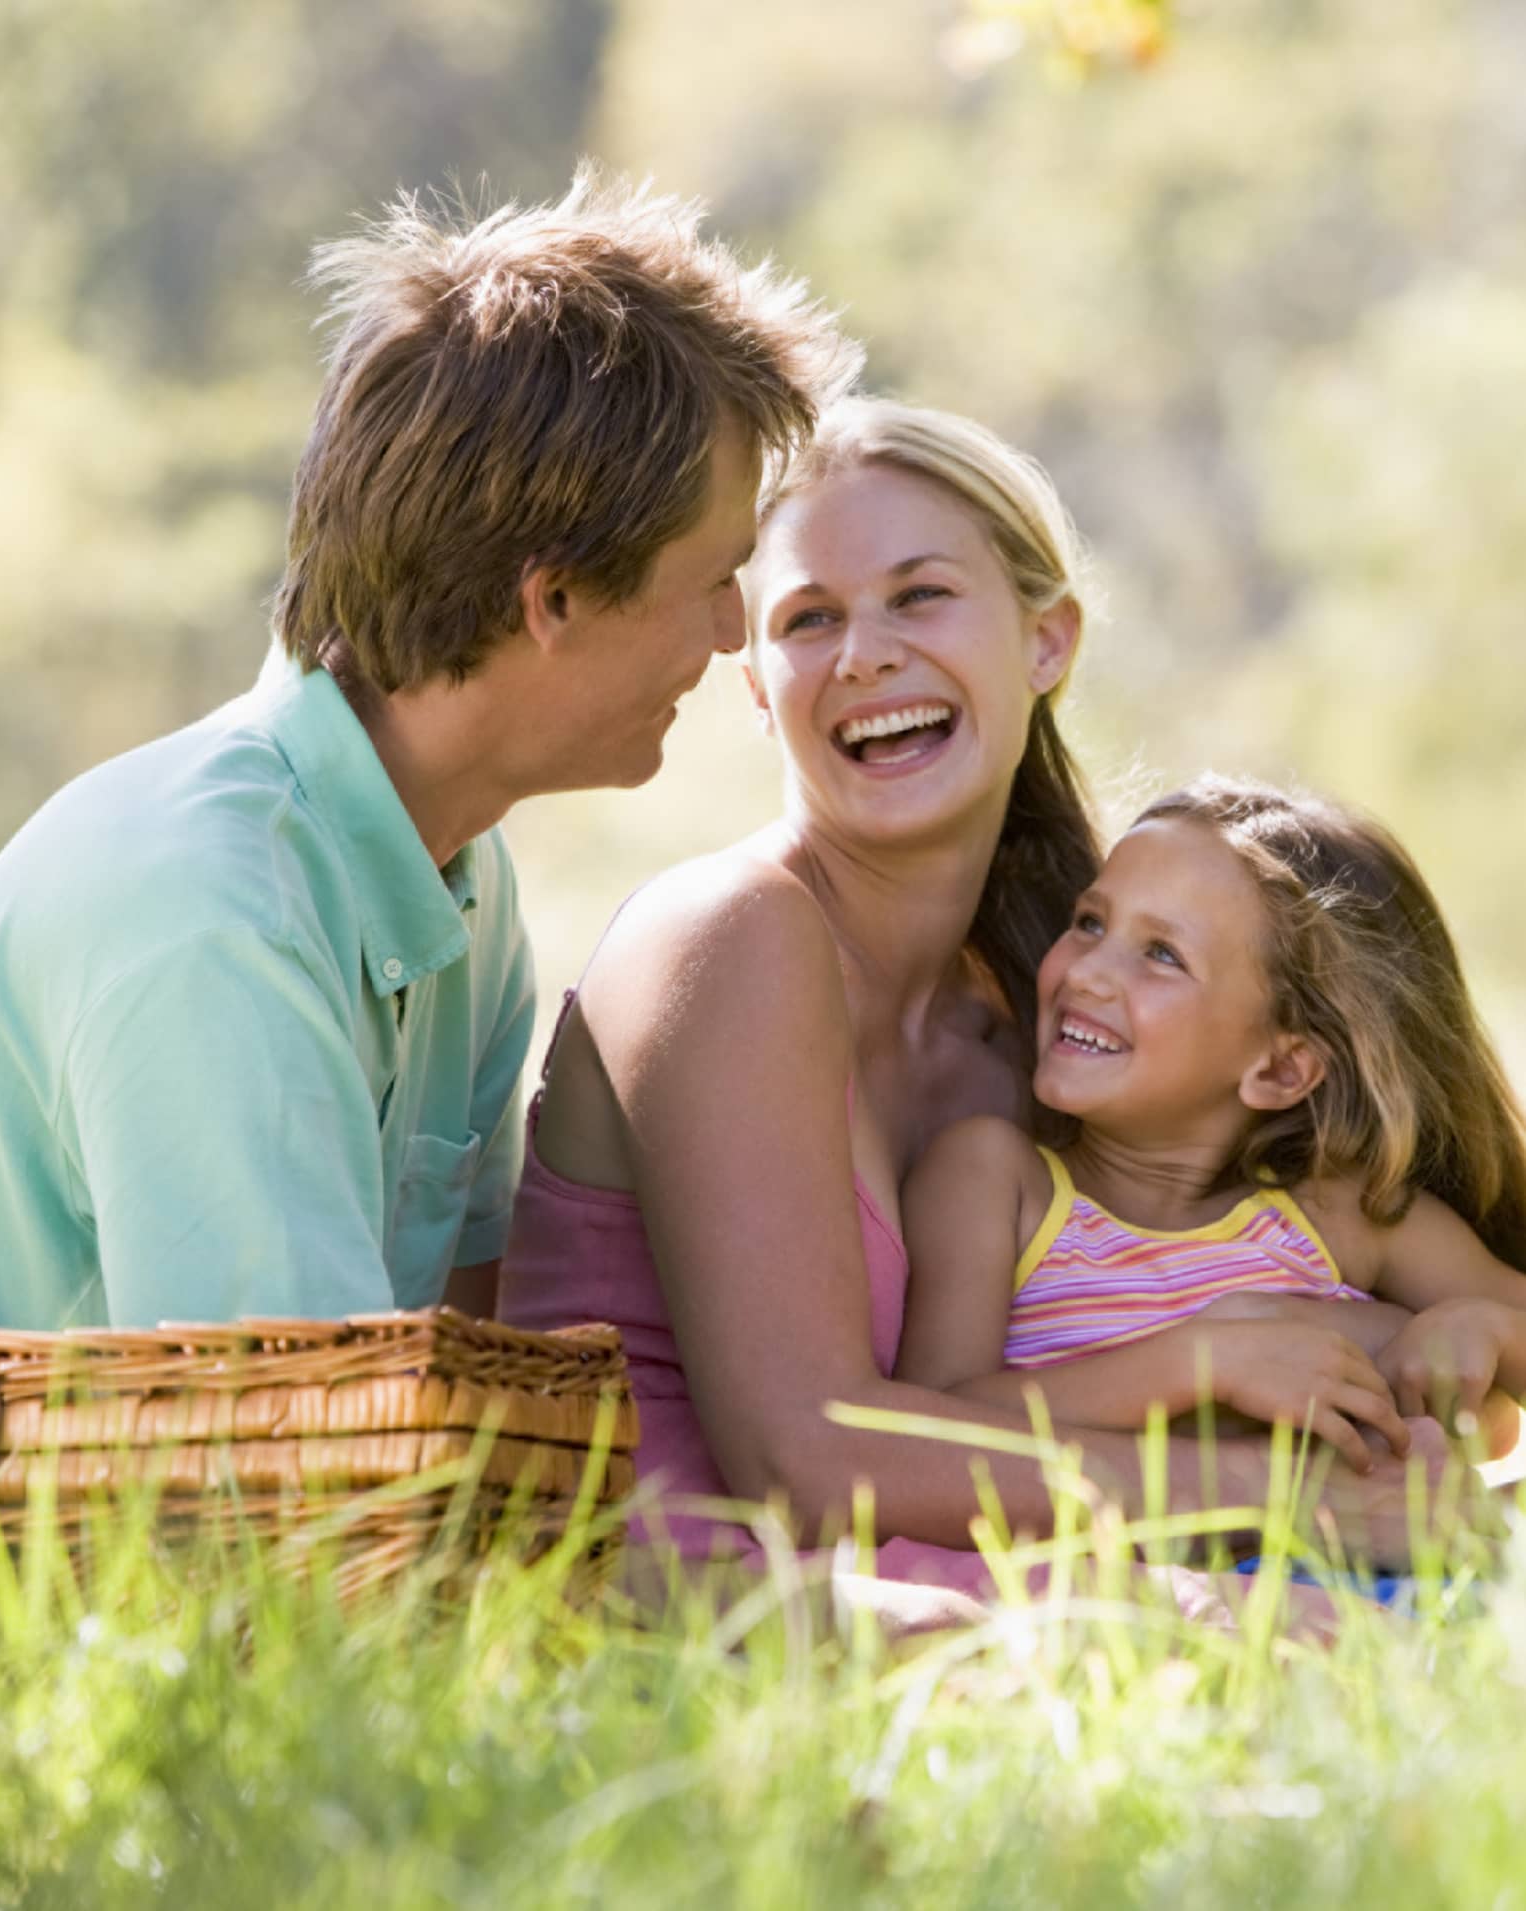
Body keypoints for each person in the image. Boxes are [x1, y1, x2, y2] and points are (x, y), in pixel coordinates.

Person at [500, 400, 1453, 1602]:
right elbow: (807, 1455)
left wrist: (1391, 1404)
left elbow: (1270, 1265)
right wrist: (1279, 1497)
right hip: (690, 1597)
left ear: (1047, 641)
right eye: (809, 620)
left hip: (951, 1577)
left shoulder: (1054, 1005)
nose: (865, 654)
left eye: (919, 595)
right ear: (757, 687)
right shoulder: (731, 935)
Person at [0, 169, 857, 1330]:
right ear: (554, 599)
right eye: (712, 581)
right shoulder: (211, 915)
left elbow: (450, 1374)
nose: (725, 636)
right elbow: (271, 1466)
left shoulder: (465, 879)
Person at [897, 776, 1526, 1471]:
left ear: (1281, 1069)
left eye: (1162, 955)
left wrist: (1486, 1327)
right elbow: (925, 1425)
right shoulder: (996, 1181)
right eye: (1090, 923)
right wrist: (1203, 1362)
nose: (1088, 973)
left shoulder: (1342, 1213)